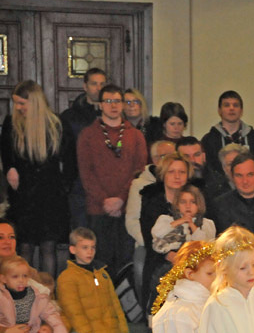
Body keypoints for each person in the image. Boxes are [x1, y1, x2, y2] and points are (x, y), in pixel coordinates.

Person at [2, 81, 75, 277]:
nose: (18, 108)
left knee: (47, 248)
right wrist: (9, 169)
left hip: (50, 198)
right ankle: (24, 292)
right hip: (23, 196)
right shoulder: (11, 124)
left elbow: (71, 162)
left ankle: (47, 292)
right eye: (16, 103)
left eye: (22, 103)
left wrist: (63, 188)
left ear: (35, 102)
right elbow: (6, 154)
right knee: (24, 247)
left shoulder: (57, 125)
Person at [77, 84, 148, 277]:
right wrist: (105, 200)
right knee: (100, 261)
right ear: (100, 105)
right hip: (98, 208)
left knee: (126, 261)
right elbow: (86, 172)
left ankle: (126, 297)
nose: (113, 105)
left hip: (128, 208)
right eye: (108, 101)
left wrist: (121, 199)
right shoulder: (87, 135)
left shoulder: (135, 135)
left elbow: (139, 171)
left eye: (117, 101)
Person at [56, 228, 130, 333]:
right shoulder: (67, 277)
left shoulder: (102, 273)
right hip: (80, 330)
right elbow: (73, 311)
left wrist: (121, 329)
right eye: (85, 247)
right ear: (73, 250)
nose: (90, 252)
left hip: (101, 329)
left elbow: (114, 303)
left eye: (93, 247)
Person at [138, 154, 193, 310]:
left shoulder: (195, 200)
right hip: (160, 260)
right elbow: (149, 240)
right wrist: (171, 256)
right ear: (163, 175)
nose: (177, 176)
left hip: (191, 260)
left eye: (182, 172)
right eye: (171, 172)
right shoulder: (151, 203)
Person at [125, 140, 178, 291]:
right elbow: (132, 221)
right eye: (164, 156)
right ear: (154, 159)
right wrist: (153, 243)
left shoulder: (184, 185)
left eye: (174, 155)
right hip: (149, 243)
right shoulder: (140, 185)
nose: (170, 160)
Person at [60, 68, 106, 229]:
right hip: (78, 182)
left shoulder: (114, 115)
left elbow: (119, 145)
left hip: (107, 182)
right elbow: (64, 151)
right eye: (94, 84)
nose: (98, 88)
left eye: (102, 84)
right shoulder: (69, 117)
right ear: (85, 86)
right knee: (81, 230)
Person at [200, 91, 254, 175]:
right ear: (219, 110)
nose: (231, 108)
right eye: (226, 105)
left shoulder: (253, 137)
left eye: (235, 105)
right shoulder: (209, 139)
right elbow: (207, 170)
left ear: (241, 111)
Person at [176, 137, 228, 206]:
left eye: (197, 155)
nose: (192, 160)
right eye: (186, 156)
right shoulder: (173, 184)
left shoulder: (219, 182)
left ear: (204, 156)